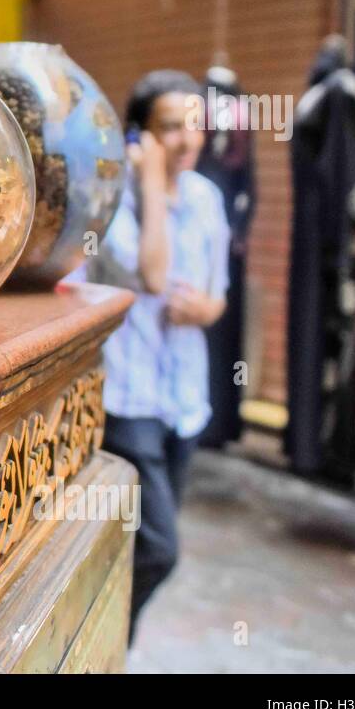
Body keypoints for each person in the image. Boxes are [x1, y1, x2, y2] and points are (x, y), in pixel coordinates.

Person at [82, 70, 230, 637]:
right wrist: (147, 184)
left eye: (194, 125)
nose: (187, 140)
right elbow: (153, 272)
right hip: (129, 396)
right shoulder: (114, 201)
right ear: (139, 136)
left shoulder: (208, 198)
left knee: (137, 541)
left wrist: (203, 313)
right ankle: (108, 643)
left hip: (184, 400)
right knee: (159, 549)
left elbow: (219, 295)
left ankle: (113, 645)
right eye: (169, 127)